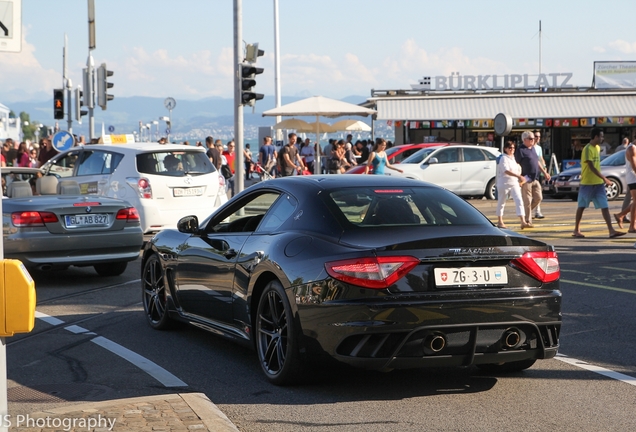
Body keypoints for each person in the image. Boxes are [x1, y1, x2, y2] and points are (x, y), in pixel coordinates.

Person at [572, 128, 625, 239]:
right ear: (595, 137)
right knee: (581, 206)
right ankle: (576, 230)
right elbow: (591, 166)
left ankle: (611, 230)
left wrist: (601, 179)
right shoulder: (587, 149)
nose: (602, 139)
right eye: (601, 136)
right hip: (587, 183)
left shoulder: (597, 148)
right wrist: (605, 178)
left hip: (598, 184)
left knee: (604, 206)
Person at [515, 131, 550, 227]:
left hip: (535, 178)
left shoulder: (533, 148)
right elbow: (516, 164)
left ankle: (526, 213)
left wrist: (544, 172)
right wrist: (519, 177)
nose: (533, 140)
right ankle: (527, 221)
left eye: (534, 138)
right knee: (527, 200)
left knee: (539, 197)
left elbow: (537, 162)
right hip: (526, 179)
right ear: (525, 140)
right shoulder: (520, 150)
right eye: (531, 138)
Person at [496, 141, 529, 229]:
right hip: (504, 183)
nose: (512, 149)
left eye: (513, 148)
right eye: (510, 148)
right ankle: (500, 221)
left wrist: (519, 179)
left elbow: (517, 170)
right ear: (505, 149)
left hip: (514, 183)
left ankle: (523, 221)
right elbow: (506, 170)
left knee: (519, 200)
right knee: (502, 202)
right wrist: (518, 176)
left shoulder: (513, 158)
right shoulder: (503, 158)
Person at [613, 138, 636, 233]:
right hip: (633, 178)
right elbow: (634, 166)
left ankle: (621, 215)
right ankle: (632, 226)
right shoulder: (632, 149)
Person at [532, 130, 547, 219]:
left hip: (539, 172)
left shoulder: (539, 148)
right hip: (531, 172)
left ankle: (537, 211)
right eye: (536, 136)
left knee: (538, 192)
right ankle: (529, 211)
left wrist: (544, 167)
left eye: (539, 137)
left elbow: (541, 158)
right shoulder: (529, 148)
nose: (538, 138)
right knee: (531, 193)